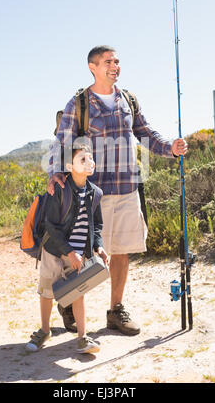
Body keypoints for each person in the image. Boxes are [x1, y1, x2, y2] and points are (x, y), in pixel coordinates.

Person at [47, 45, 188, 336]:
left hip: (127, 187)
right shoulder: (80, 103)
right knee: (85, 252)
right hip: (91, 192)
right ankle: (70, 300)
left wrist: (170, 148)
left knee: (122, 252)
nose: (115, 66)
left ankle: (116, 310)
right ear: (93, 67)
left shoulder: (128, 100)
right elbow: (62, 141)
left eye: (117, 61)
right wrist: (55, 172)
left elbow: (146, 134)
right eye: (108, 62)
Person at [26, 144, 108, 353]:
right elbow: (51, 226)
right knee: (46, 291)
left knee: (77, 293)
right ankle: (45, 330)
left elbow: (96, 225)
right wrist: (69, 252)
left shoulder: (95, 193)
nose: (89, 162)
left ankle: (83, 337)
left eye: (90, 158)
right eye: (83, 159)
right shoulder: (59, 190)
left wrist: (98, 246)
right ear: (70, 166)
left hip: (77, 255)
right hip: (53, 250)